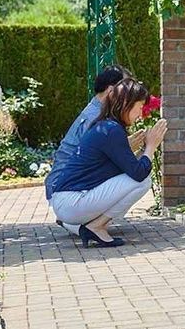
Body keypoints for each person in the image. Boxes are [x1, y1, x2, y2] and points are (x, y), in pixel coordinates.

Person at [48, 78, 167, 248]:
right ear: (126, 103)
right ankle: (96, 226)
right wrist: (151, 146)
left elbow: (129, 167)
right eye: (139, 107)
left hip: (67, 202)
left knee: (139, 176)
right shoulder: (111, 130)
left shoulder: (106, 126)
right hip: (71, 202)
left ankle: (82, 225)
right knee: (144, 180)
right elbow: (139, 173)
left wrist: (142, 150)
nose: (140, 114)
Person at [45, 65, 145, 235]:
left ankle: (78, 223)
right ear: (112, 90)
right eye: (125, 87)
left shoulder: (97, 111)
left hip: (64, 190)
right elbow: (97, 161)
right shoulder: (96, 118)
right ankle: (88, 223)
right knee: (138, 179)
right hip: (68, 191)